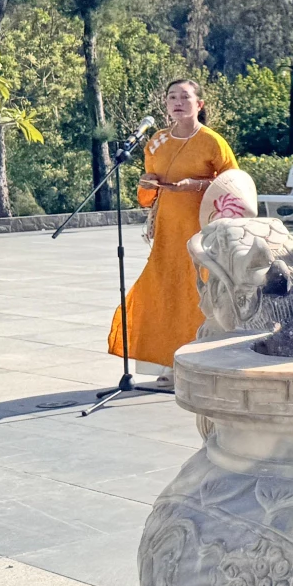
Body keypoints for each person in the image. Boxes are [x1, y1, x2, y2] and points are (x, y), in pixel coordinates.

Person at [107, 78, 238, 388]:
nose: (177, 102)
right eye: (171, 97)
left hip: (202, 231)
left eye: (184, 97)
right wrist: (146, 182)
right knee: (163, 294)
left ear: (199, 104)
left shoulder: (212, 142)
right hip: (167, 232)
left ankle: (203, 361)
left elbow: (235, 185)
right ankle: (169, 362)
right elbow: (147, 196)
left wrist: (199, 185)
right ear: (165, 104)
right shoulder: (156, 142)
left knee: (198, 294)